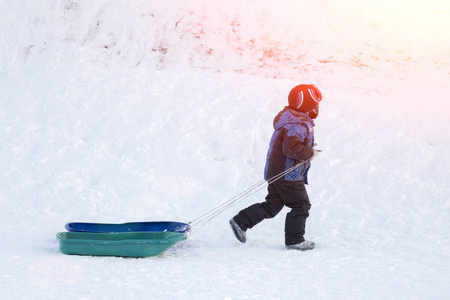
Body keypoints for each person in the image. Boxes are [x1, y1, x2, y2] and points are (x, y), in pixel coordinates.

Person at [229, 84, 322, 251]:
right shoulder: (297, 125)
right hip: (288, 175)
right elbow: (291, 148)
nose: (316, 108)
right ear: (306, 104)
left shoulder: (292, 120)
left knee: (272, 206)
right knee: (301, 205)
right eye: (315, 104)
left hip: (278, 173)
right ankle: (295, 240)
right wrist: (310, 152)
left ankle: (241, 221)